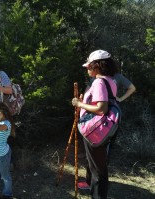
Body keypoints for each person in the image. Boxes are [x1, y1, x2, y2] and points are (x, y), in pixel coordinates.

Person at [72, 50, 118, 199]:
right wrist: (84, 101)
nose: (87, 68)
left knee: (96, 171)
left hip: (95, 131)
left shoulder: (99, 81)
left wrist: (80, 103)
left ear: (98, 66)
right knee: (101, 167)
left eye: (90, 65)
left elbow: (101, 108)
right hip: (107, 129)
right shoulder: (111, 81)